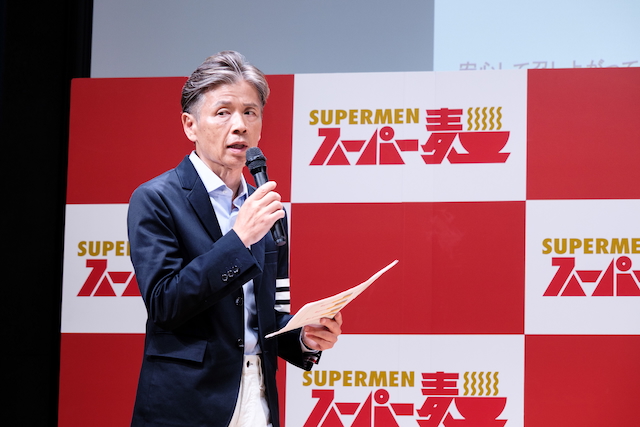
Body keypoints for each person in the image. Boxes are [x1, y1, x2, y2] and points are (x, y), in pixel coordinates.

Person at [127, 50, 343, 427]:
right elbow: (164, 304)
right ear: (190, 125)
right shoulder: (156, 198)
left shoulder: (264, 206)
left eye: (250, 112)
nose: (240, 125)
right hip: (187, 402)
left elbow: (265, 316)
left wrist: (303, 337)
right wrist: (238, 240)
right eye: (223, 112)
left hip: (257, 395)